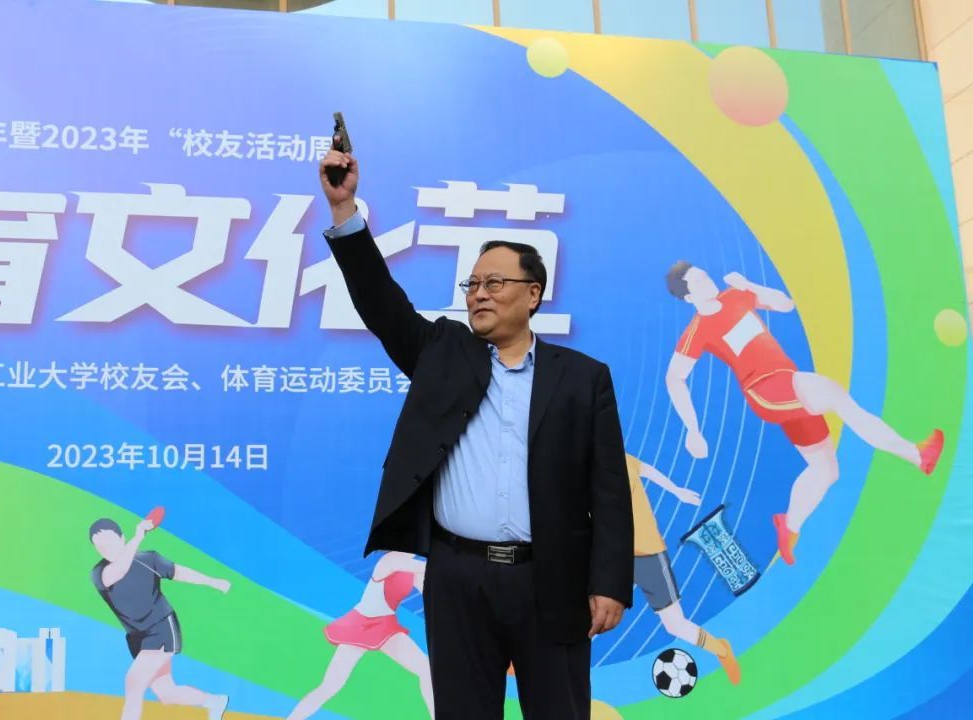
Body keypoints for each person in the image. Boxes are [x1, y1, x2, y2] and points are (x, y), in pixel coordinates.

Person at [318, 150, 634, 719]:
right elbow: (379, 301)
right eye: (473, 283)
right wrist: (344, 210)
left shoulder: (583, 379)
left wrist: (609, 582)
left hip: (551, 576)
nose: (479, 293)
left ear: (533, 294)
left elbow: (608, 488)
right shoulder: (443, 354)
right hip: (458, 576)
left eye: (495, 282)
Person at [664, 263, 944, 565]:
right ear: (688, 298)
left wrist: (749, 285)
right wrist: (693, 430)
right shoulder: (697, 331)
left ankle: (789, 527)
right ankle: (918, 455)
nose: (707, 281)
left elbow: (785, 304)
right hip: (765, 390)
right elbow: (674, 378)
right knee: (835, 395)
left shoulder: (735, 295)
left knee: (826, 470)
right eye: (697, 282)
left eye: (705, 275)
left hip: (788, 380)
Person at [89, 517, 231, 720]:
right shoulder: (99, 573)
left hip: (161, 626)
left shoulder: (149, 560)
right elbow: (119, 571)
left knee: (134, 683)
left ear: (122, 538)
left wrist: (213, 582)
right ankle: (214, 701)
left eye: (109, 542)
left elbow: (179, 572)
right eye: (100, 546)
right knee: (167, 694)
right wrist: (138, 536)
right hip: (137, 637)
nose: (106, 548)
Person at [625, 454, 740, 684]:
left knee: (674, 625)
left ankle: (721, 650)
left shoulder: (618, 458)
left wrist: (677, 491)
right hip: (611, 557)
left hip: (647, 553)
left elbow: (647, 469)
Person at [287, 552, 433, 719]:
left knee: (426, 670)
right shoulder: (390, 560)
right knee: (331, 685)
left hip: (385, 627)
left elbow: (429, 593)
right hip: (360, 625)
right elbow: (427, 568)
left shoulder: (414, 571)